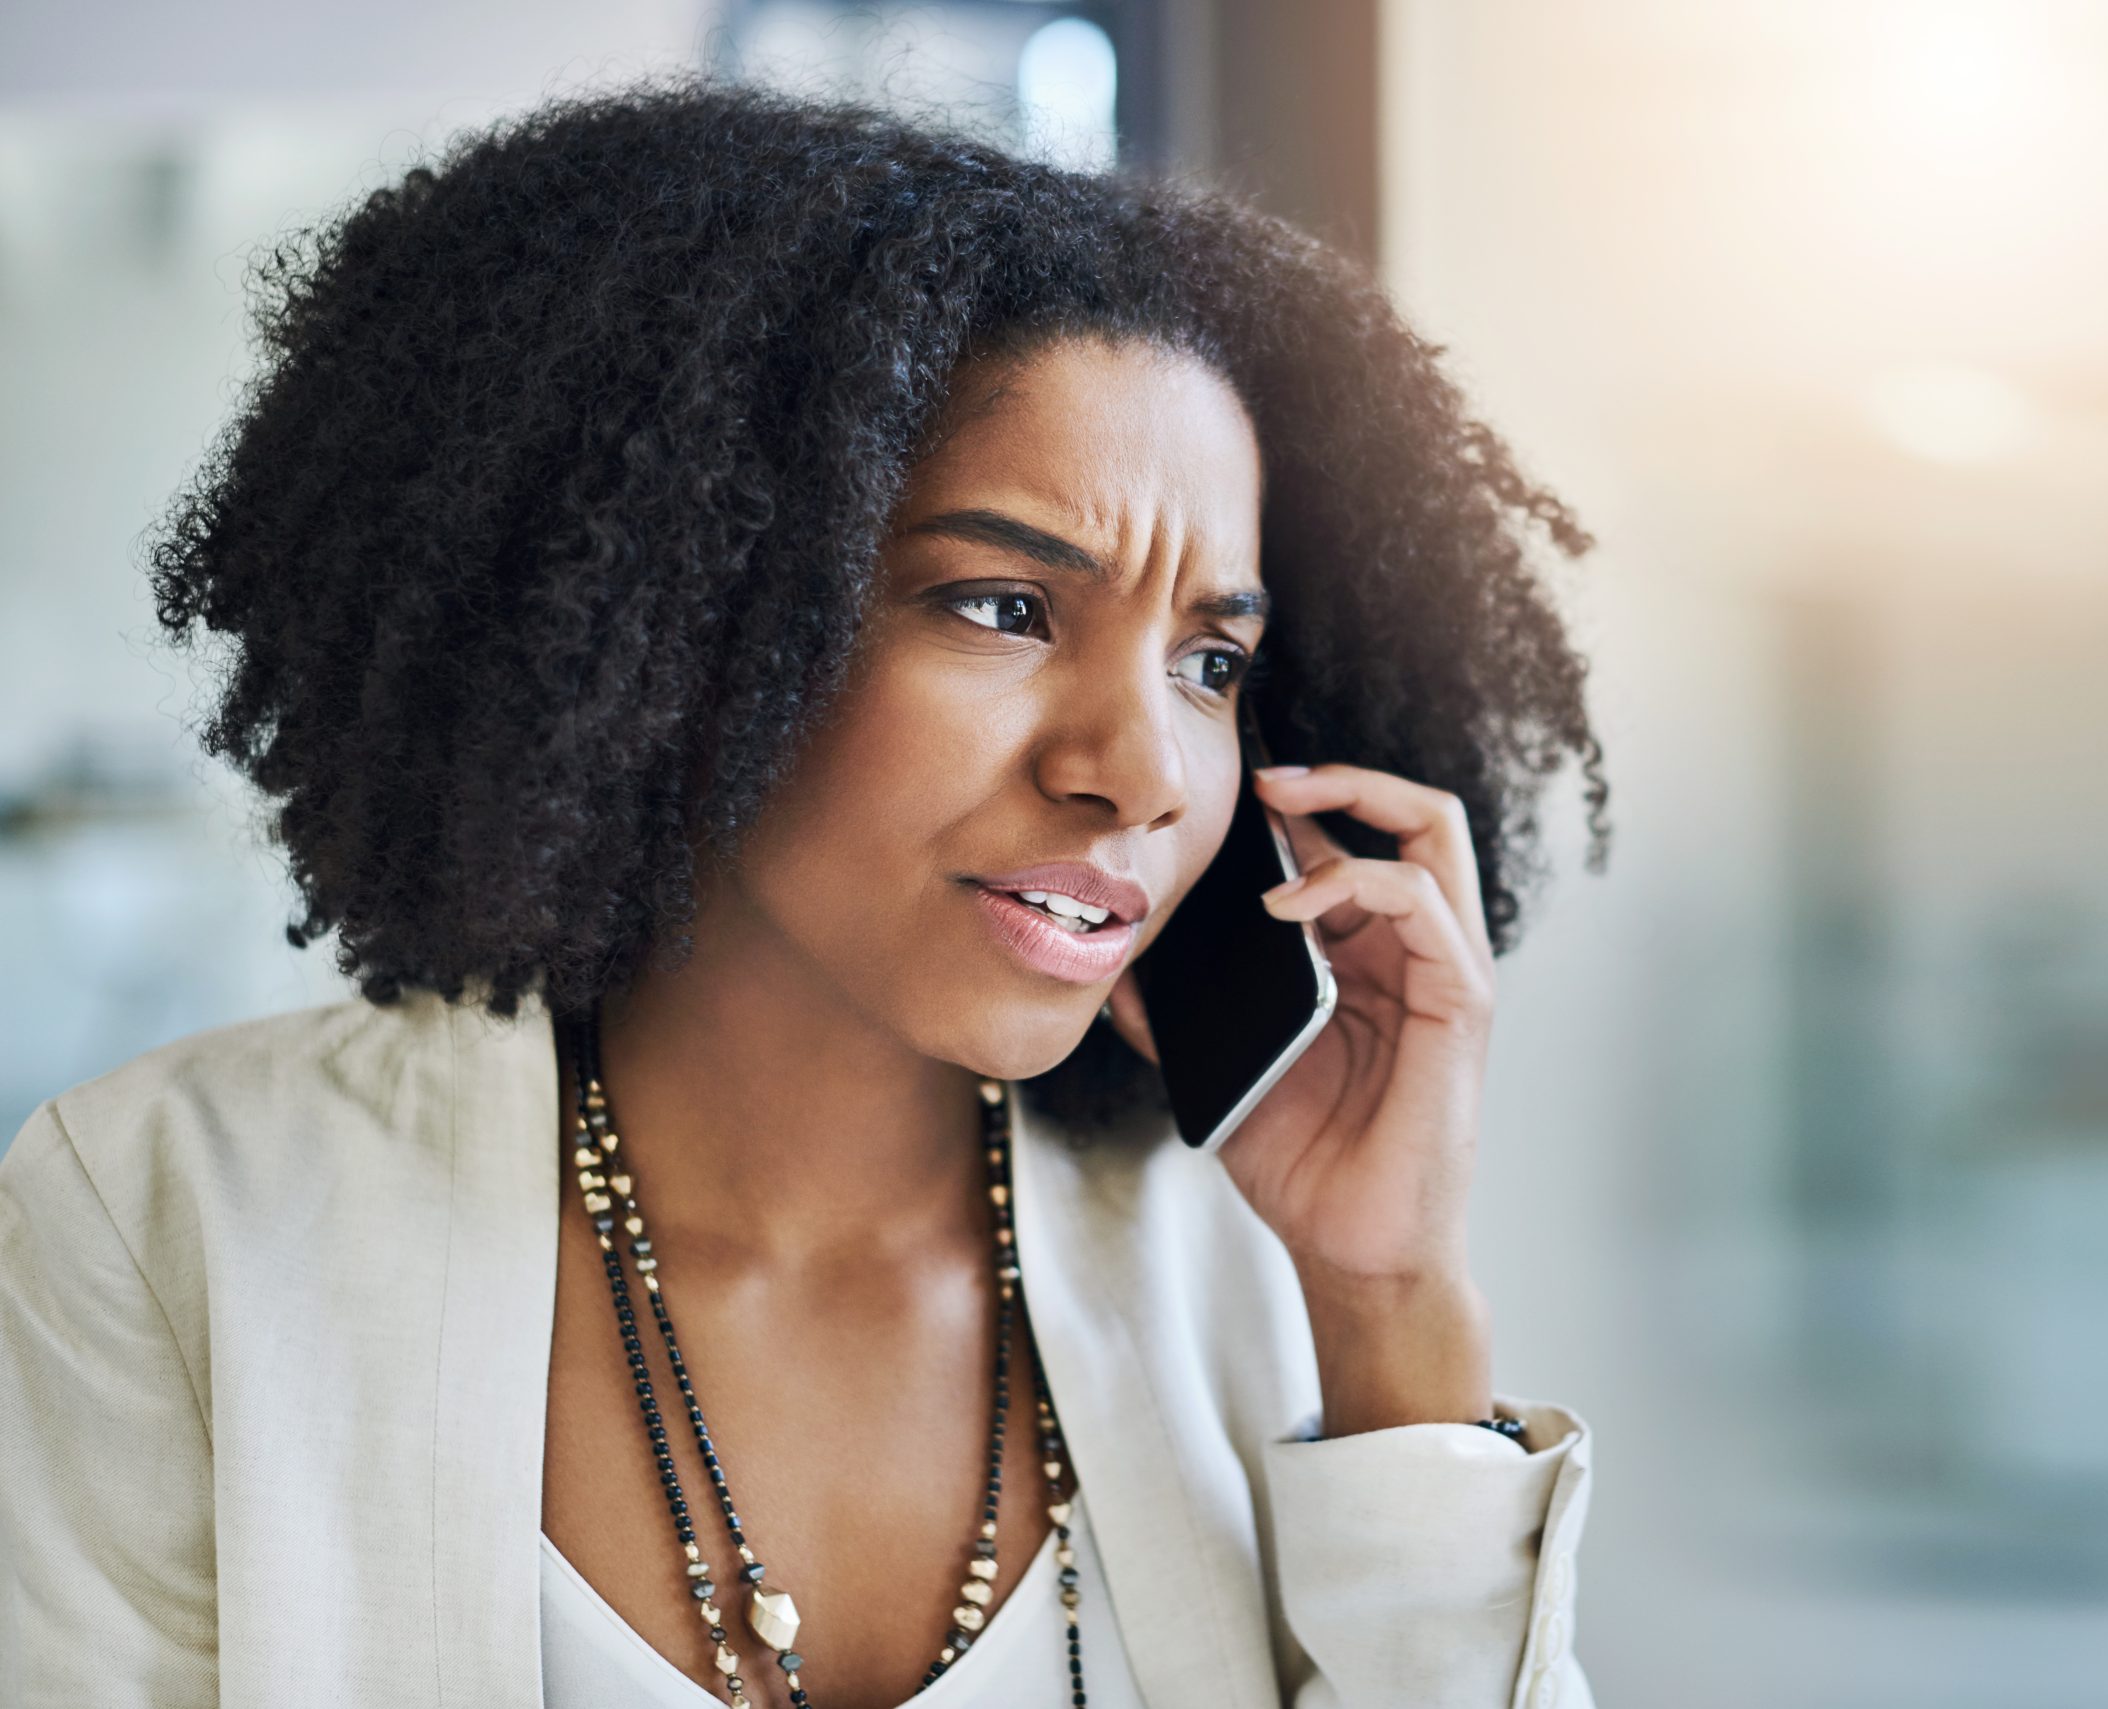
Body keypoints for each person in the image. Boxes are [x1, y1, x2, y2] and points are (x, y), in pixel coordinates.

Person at [0, 76, 1607, 1709]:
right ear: (693, 610)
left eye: (1212, 661)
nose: (1144, 770)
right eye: (1001, 605)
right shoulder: (169, 1219)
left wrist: (1390, 1303)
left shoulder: (1251, 1274)